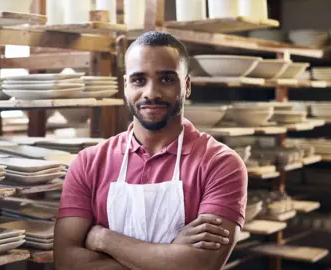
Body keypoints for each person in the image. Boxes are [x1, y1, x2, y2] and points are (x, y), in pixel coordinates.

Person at [54, 31, 248, 270]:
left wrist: (105, 239)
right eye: (138, 80)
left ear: (186, 85)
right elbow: (66, 261)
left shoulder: (220, 163)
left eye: (166, 79)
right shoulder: (89, 162)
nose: (151, 93)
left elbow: (198, 266)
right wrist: (171, 254)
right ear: (126, 85)